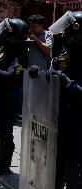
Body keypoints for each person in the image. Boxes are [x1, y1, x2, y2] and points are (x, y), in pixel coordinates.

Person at [0, 18, 29, 175]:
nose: (2, 34)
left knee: (5, 132)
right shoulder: (4, 49)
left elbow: (10, 76)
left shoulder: (20, 54)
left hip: (8, 100)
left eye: (6, 32)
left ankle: (4, 164)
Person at [48, 11, 82, 189]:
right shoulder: (66, 54)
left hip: (77, 121)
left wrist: (65, 81)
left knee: (73, 164)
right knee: (57, 161)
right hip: (60, 117)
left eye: (68, 31)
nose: (65, 35)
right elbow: (54, 71)